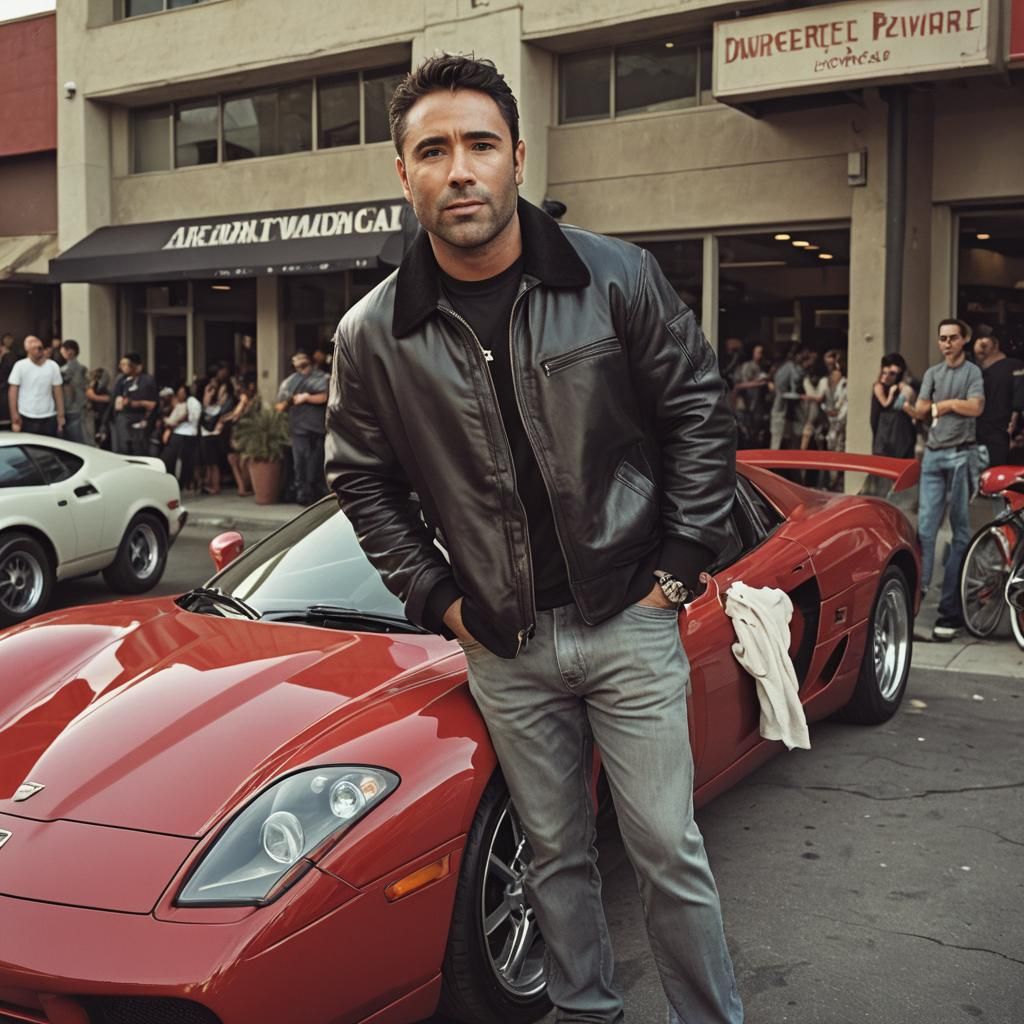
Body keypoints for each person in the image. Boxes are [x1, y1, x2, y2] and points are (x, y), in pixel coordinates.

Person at [324, 55, 742, 1024]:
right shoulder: (372, 334)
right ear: (403, 172)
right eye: (434, 150)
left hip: (627, 618)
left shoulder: (615, 276)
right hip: (502, 643)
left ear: (516, 156)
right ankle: (586, 1012)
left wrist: (678, 566)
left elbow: (696, 413)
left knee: (665, 850)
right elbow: (361, 480)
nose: (458, 169)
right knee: (553, 853)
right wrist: (441, 600)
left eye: (478, 144)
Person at [913, 319, 985, 641]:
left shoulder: (972, 372)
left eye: (953, 338)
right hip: (933, 454)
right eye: (942, 338)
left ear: (964, 340)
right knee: (925, 530)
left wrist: (944, 405)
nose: (946, 344)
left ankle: (950, 611)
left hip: (960, 454)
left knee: (959, 532)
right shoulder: (932, 373)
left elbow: (976, 407)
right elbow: (919, 410)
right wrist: (943, 408)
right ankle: (917, 599)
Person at [277, 351, 329, 505]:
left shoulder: (322, 377)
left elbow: (326, 397)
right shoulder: (289, 382)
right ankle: (303, 497)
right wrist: (290, 401)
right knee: (300, 464)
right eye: (296, 360)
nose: (300, 363)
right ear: (293, 364)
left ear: (309, 360)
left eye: (302, 359)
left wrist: (307, 397)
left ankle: (317, 497)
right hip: (298, 430)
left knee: (316, 465)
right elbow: (279, 407)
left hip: (318, 430)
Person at [972, 324, 1023, 469]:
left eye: (984, 341)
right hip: (980, 437)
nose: (980, 346)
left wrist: (1014, 426)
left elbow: (1019, 401)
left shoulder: (1014, 365)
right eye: (978, 340)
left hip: (1004, 437)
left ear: (995, 344)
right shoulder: (977, 373)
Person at [7, 335, 65, 437]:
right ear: (27, 350)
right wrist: (14, 416)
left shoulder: (53, 366)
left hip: (48, 415)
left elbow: (58, 391)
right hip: (26, 415)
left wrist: (61, 415)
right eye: (34, 348)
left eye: (39, 348)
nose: (38, 350)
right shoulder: (20, 366)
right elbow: (13, 391)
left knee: (49, 448)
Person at [870, 353, 918, 460]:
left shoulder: (904, 387)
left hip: (901, 438)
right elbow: (875, 417)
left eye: (892, 373)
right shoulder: (879, 387)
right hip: (885, 439)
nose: (887, 376)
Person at [111, 352, 158, 455]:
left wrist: (135, 403)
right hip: (122, 417)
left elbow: (153, 403)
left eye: (126, 364)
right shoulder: (122, 380)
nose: (123, 367)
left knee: (138, 448)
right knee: (122, 448)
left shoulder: (147, 380)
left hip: (139, 418)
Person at [161, 383, 202, 493]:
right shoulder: (179, 404)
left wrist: (176, 422)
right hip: (178, 432)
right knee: (173, 460)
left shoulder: (192, 402)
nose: (180, 395)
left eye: (181, 393)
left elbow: (191, 417)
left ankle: (185, 484)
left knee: (185, 462)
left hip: (186, 434)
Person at [199, 377, 236, 495]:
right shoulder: (208, 404)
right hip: (206, 435)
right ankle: (209, 484)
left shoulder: (220, 407)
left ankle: (215, 487)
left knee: (214, 464)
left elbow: (215, 419)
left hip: (213, 436)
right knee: (209, 463)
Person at [769, 343, 805, 449]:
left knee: (781, 434)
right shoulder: (790, 366)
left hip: (781, 403)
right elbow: (796, 379)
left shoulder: (780, 367)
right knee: (781, 431)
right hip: (783, 403)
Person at [59, 339, 90, 444]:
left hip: (69, 408)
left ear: (70, 352)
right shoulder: (83, 369)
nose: (61, 352)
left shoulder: (64, 371)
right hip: (82, 406)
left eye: (62, 350)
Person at [85, 366, 113, 446]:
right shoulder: (95, 389)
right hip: (97, 419)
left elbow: (109, 399)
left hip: (103, 419)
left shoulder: (103, 390)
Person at [0, 332, 16, 429]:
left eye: (10, 339)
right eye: (6, 339)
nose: (8, 341)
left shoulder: (13, 353)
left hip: (7, 386)